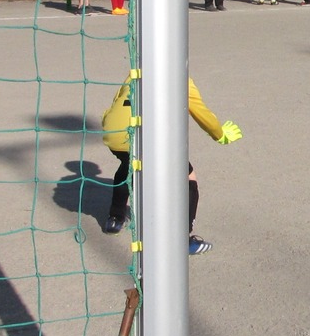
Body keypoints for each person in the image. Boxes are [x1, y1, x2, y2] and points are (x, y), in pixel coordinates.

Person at [100, 75, 242, 255]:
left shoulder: (134, 73)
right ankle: (183, 240)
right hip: (146, 139)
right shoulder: (179, 76)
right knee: (188, 177)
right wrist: (220, 135)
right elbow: (201, 113)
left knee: (128, 165)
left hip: (114, 135)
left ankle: (115, 219)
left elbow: (116, 102)